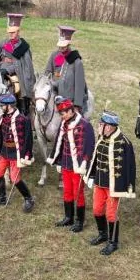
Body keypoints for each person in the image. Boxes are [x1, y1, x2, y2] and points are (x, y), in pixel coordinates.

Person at [85, 110, 136, 255]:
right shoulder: (101, 138)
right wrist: (90, 176)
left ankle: (113, 242)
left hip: (114, 186)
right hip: (99, 183)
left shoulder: (124, 142)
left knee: (111, 214)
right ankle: (103, 234)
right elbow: (96, 158)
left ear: (109, 126)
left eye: (101, 124)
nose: (99, 126)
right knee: (96, 210)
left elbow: (130, 166)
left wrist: (128, 187)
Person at [46, 97, 95, 233]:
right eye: (61, 114)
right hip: (66, 163)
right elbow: (59, 143)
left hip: (78, 166)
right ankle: (69, 217)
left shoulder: (85, 125)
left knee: (77, 192)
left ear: (71, 110)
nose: (62, 116)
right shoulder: (64, 124)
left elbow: (89, 146)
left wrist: (85, 163)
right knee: (67, 191)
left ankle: (80, 221)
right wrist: (58, 160)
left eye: (64, 113)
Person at [0, 93, 36, 213]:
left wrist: (26, 155)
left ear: (9, 106)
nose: (1, 107)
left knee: (14, 178)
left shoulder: (23, 120)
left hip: (16, 153)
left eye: (2, 105)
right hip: (4, 151)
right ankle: (1, 197)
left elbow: (28, 139)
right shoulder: (2, 118)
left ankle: (28, 199)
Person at [0, 13, 36, 116]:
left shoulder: (23, 47)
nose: (11, 34)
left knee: (18, 86)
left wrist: (7, 70)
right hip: (0, 69)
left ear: (18, 32)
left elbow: (23, 65)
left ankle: (22, 107)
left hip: (16, 72)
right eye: (9, 32)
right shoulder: (3, 43)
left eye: (13, 32)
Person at [44, 26, 89, 113]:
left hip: (69, 98)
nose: (61, 49)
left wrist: (77, 105)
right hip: (55, 91)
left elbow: (79, 85)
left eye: (63, 47)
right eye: (60, 46)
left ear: (68, 45)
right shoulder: (54, 55)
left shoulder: (76, 61)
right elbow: (47, 72)